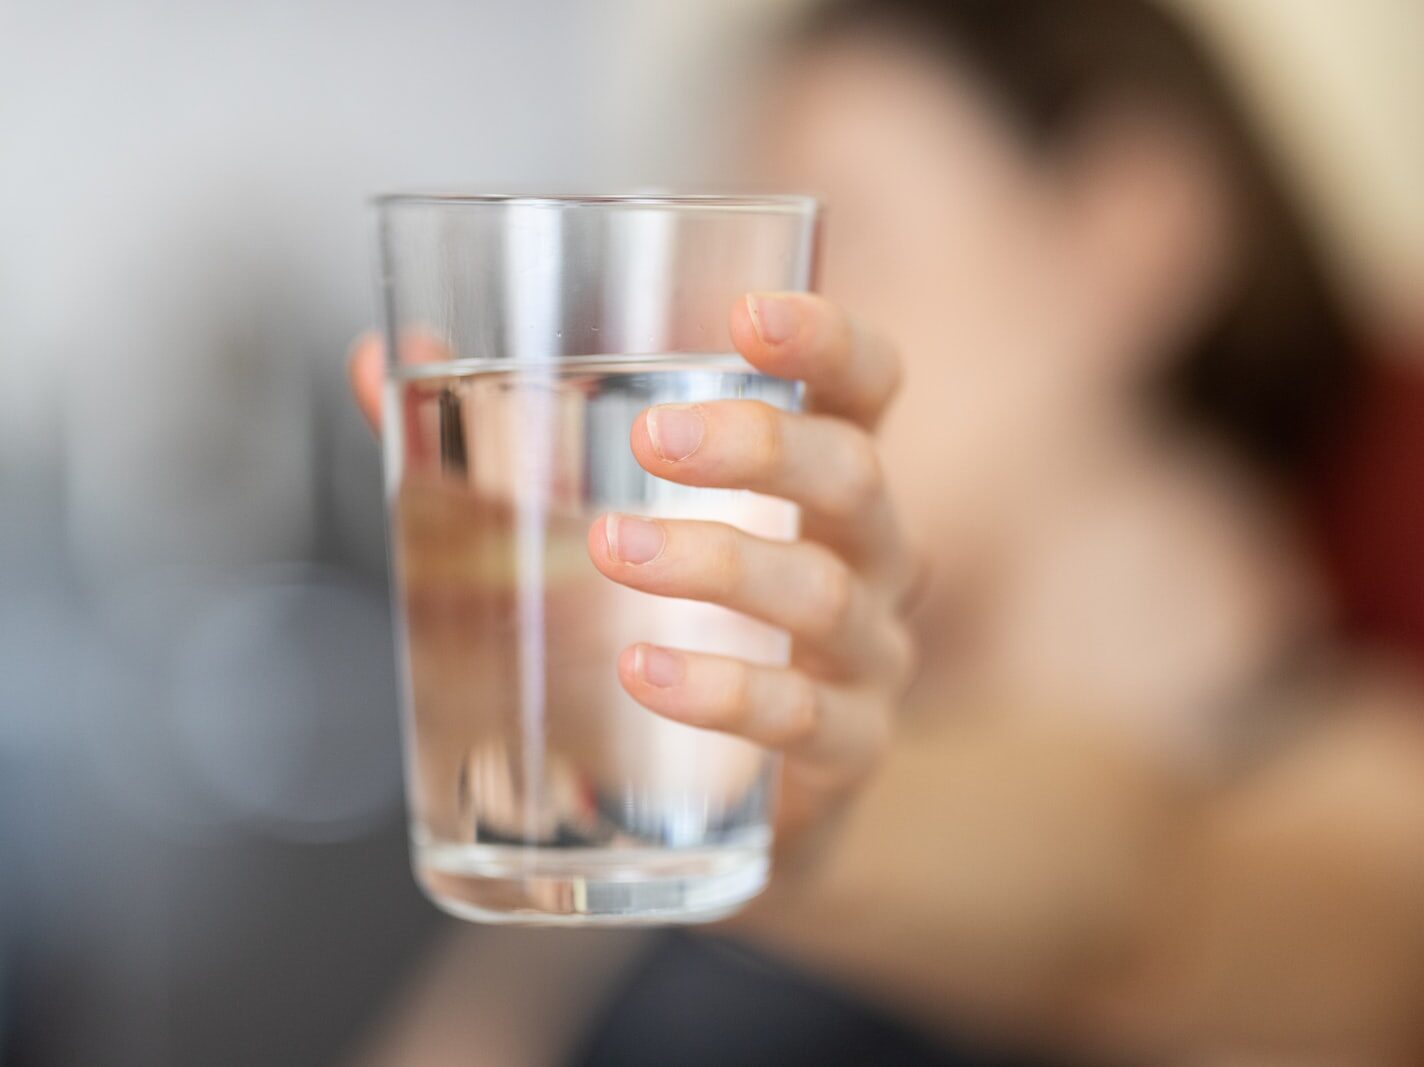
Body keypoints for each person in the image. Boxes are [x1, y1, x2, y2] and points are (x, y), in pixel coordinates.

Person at [349, 1, 1424, 1063]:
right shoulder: (683, 750)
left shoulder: (1355, 794)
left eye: (839, 232)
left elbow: (1147, 903)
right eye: (719, 266)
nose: (725, 332)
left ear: (1132, 227)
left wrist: (801, 826)